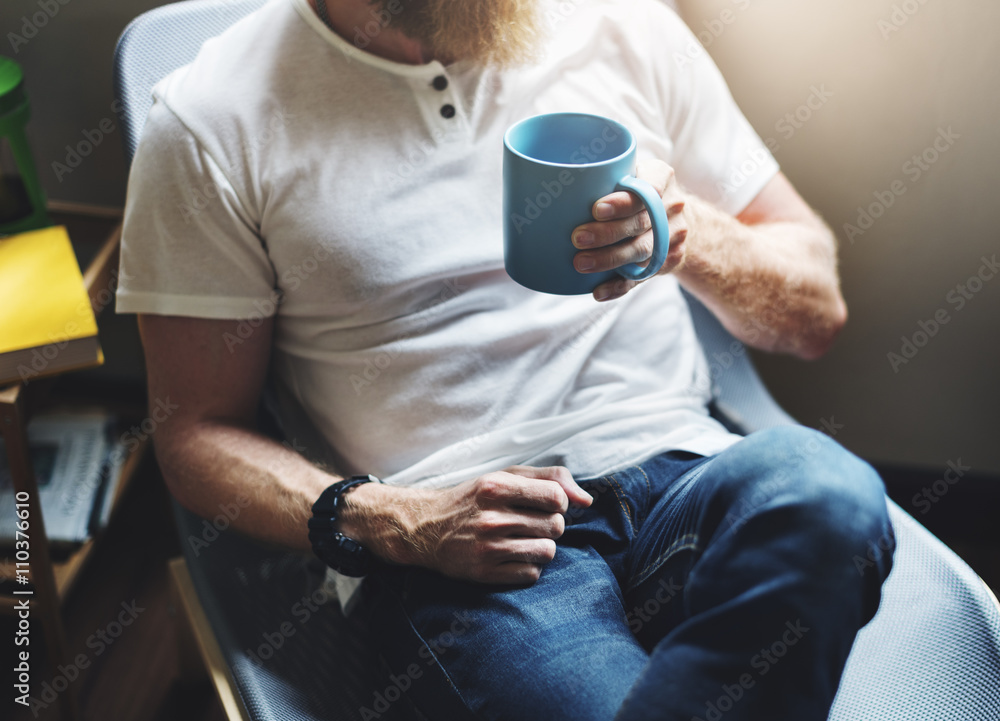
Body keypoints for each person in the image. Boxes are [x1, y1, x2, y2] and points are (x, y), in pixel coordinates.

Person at [116, 0, 895, 719]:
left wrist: (689, 241)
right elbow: (194, 434)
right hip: (460, 547)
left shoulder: (623, 23)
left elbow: (814, 311)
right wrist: (394, 520)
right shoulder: (210, 119)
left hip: (684, 473)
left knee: (828, 490)